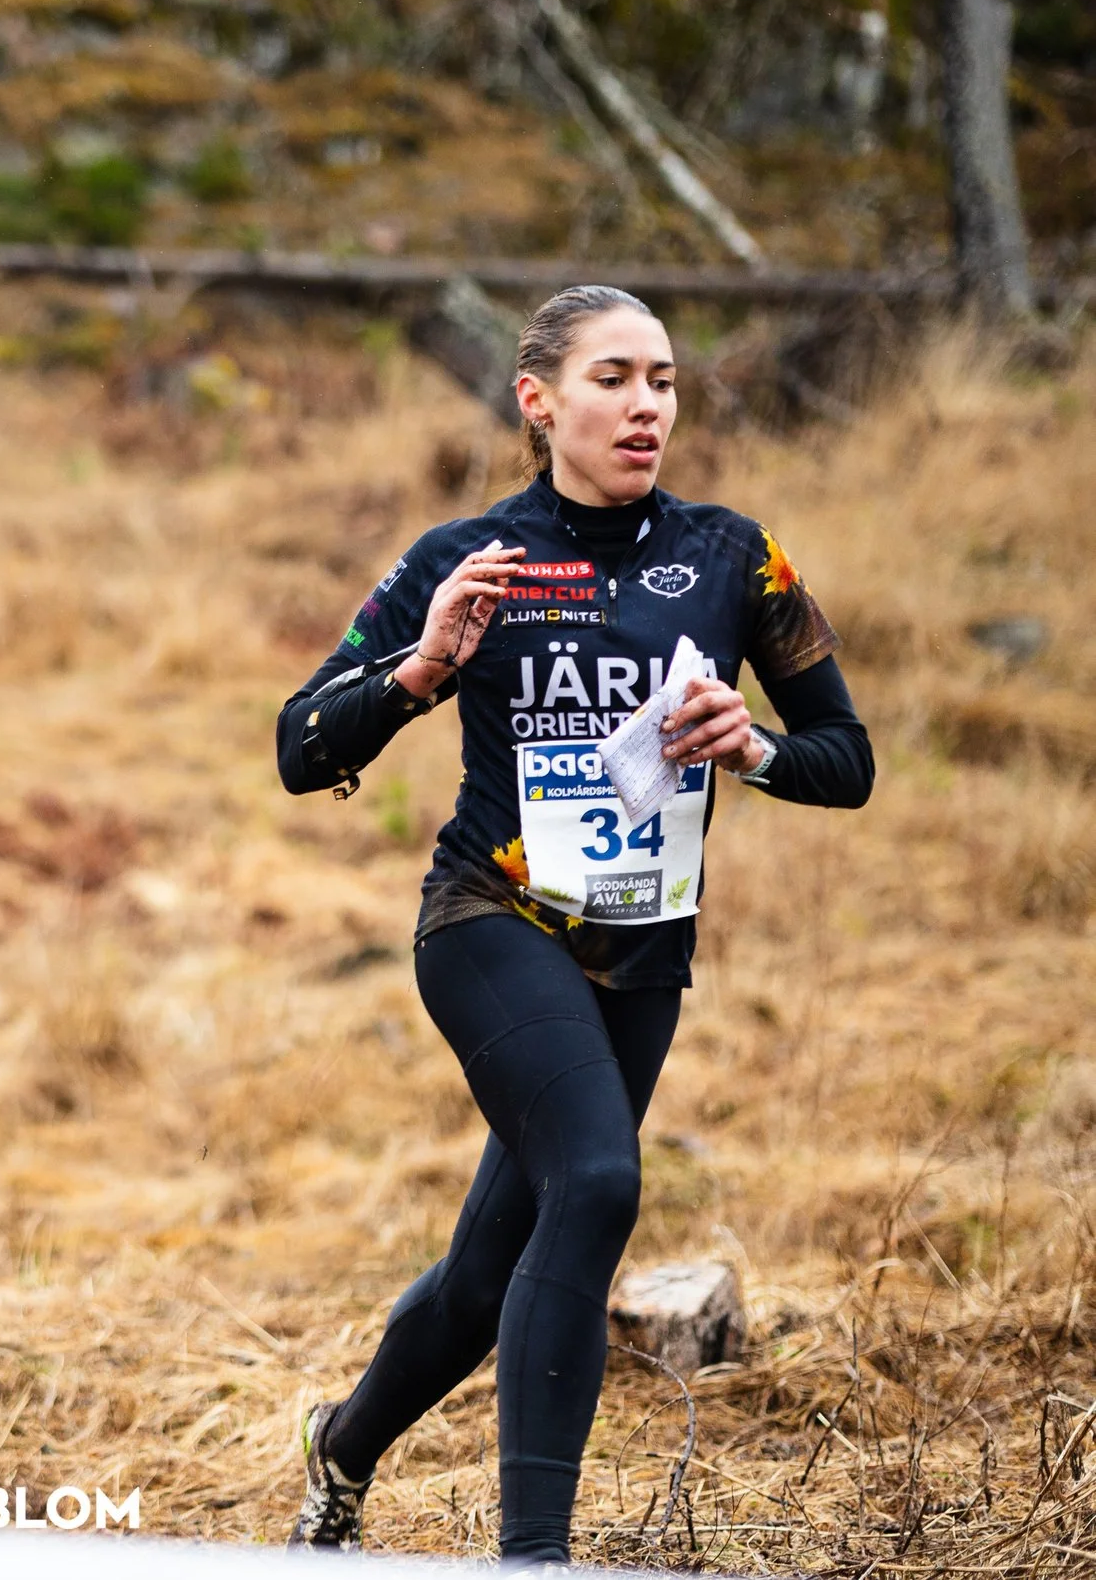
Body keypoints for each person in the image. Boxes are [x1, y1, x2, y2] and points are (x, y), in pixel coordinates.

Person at [274, 286, 873, 1566]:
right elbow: (297, 741)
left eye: (662, 378)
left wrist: (754, 746)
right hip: (487, 918)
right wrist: (419, 668)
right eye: (613, 377)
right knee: (597, 1183)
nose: (646, 403)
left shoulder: (734, 558)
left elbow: (849, 756)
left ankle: (343, 1442)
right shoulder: (465, 557)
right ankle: (533, 1556)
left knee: (488, 1272)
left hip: (640, 952)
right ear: (537, 400)